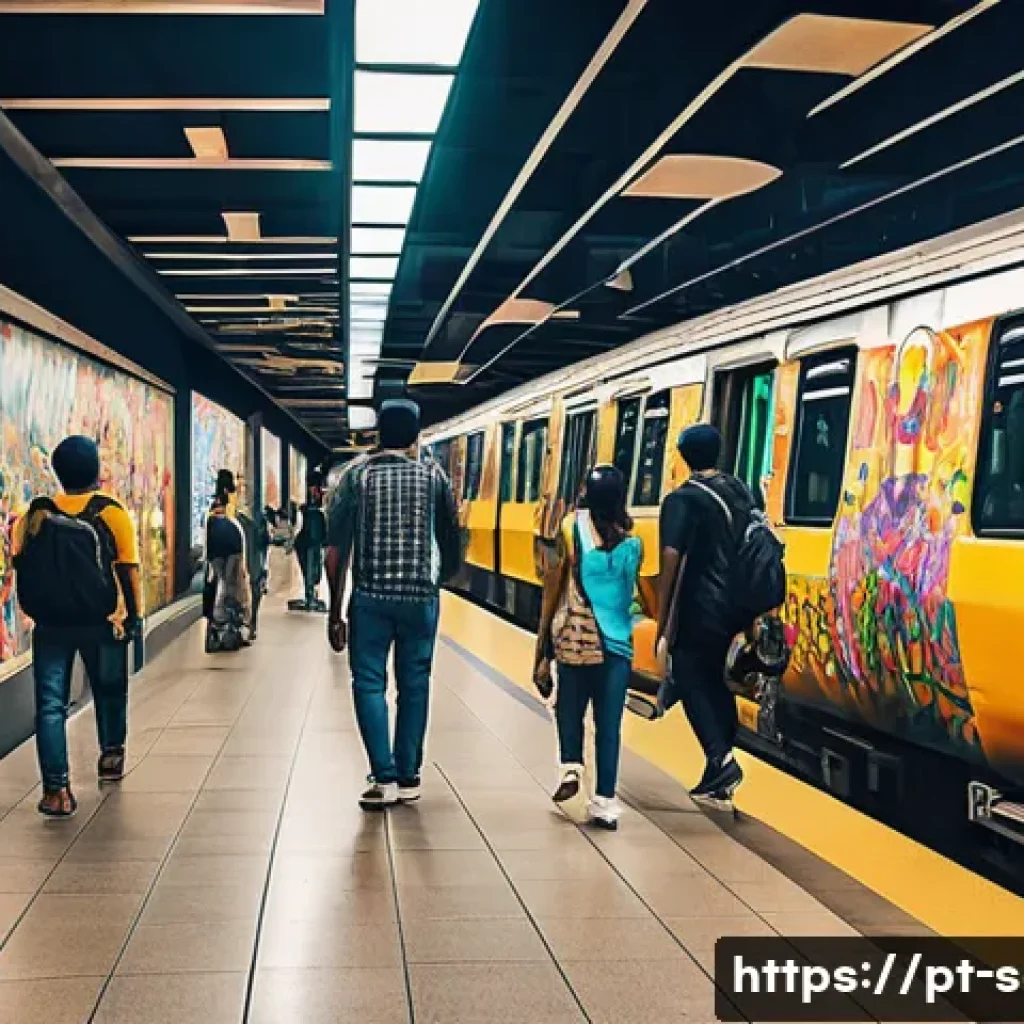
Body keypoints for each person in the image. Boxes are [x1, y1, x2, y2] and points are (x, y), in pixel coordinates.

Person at [325, 399, 461, 810]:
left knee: (369, 682)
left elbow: (335, 550)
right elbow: (451, 540)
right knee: (414, 684)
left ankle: (382, 777)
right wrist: (438, 579)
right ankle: (408, 776)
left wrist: (335, 610)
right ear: (416, 435)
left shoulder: (356, 476)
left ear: (378, 434)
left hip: (371, 597)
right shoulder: (434, 476)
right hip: (420, 598)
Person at [12, 435, 142, 817]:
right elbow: (128, 570)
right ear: (95, 470)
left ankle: (57, 791)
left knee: (50, 705)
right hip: (98, 621)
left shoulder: (34, 515)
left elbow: (20, 564)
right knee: (109, 688)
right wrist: (134, 616)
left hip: (50, 624)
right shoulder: (111, 513)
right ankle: (111, 755)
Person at [534, 465, 653, 829]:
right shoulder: (634, 540)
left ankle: (571, 766)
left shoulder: (572, 529)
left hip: (577, 640)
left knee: (569, 710)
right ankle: (604, 800)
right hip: (617, 646)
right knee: (609, 725)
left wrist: (541, 652)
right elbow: (643, 595)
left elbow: (553, 589)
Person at [655, 424, 757, 801]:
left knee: (688, 674)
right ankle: (718, 772)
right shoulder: (740, 491)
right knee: (718, 680)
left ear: (683, 456)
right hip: (739, 605)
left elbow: (671, 559)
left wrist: (663, 622)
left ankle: (720, 758)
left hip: (700, 606)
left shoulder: (681, 500)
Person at [202, 470, 252, 652]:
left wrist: (206, 557)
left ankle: (218, 624)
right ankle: (234, 626)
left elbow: (207, 528)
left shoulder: (212, 507)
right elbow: (237, 524)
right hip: (232, 544)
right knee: (234, 586)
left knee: (220, 583)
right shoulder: (232, 501)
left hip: (216, 547)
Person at [289, 474, 328, 612]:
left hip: (312, 541)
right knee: (310, 570)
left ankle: (311, 595)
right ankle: (310, 596)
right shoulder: (307, 507)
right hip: (308, 541)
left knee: (313, 570)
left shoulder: (317, 506)